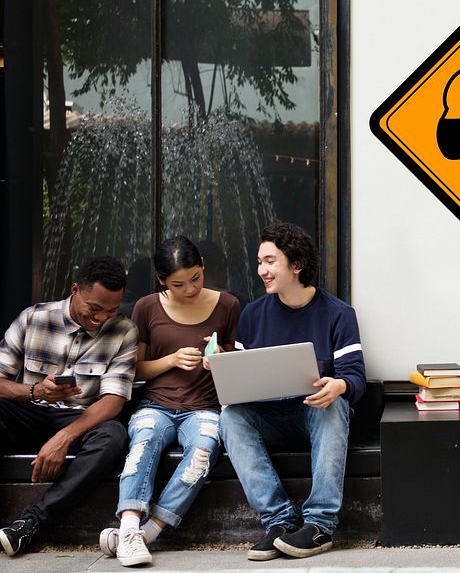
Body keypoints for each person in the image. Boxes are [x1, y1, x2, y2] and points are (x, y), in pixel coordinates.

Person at [219, 221, 366, 561]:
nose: (262, 270)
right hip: (268, 416)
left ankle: (319, 526)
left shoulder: (338, 314)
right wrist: (224, 370)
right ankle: (280, 522)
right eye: (259, 262)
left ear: (296, 264)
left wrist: (339, 385)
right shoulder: (253, 314)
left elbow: (356, 377)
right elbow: (242, 379)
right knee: (231, 417)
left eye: (270, 261)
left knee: (335, 404)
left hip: (315, 414)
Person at [98, 237, 240, 566]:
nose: (190, 289)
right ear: (161, 279)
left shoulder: (228, 304)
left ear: (203, 266)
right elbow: (134, 370)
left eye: (196, 278)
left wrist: (220, 358)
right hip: (157, 405)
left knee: (203, 451)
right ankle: (130, 526)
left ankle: (149, 532)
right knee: (143, 442)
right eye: (178, 283)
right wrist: (173, 359)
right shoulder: (146, 307)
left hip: (205, 407)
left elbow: (236, 366)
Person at [0, 257, 137, 557]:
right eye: (94, 308)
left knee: (114, 436)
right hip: (30, 411)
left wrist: (65, 437)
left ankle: (32, 523)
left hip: (79, 419)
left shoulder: (124, 331)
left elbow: (113, 400)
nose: (101, 318)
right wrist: (34, 390)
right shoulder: (33, 317)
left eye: (111, 310)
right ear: (75, 290)